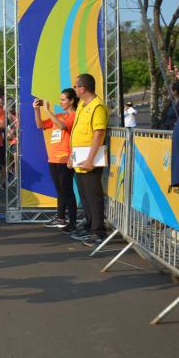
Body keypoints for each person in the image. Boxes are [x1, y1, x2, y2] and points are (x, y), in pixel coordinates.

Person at [68, 73, 109, 247]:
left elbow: (98, 134)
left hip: (90, 159)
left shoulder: (97, 106)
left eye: (76, 86)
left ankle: (98, 231)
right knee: (84, 195)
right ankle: (90, 225)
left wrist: (91, 159)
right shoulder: (82, 105)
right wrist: (72, 156)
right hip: (79, 158)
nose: (75, 89)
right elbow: (77, 133)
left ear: (83, 88)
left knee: (94, 196)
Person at [33, 89, 78, 232]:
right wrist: (37, 110)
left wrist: (47, 110)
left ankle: (73, 221)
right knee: (60, 190)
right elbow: (40, 125)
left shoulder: (74, 115)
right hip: (53, 158)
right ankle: (60, 218)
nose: (61, 102)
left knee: (67, 191)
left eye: (63, 99)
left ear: (71, 101)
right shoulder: (59, 115)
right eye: (60, 99)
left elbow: (62, 126)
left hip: (65, 158)